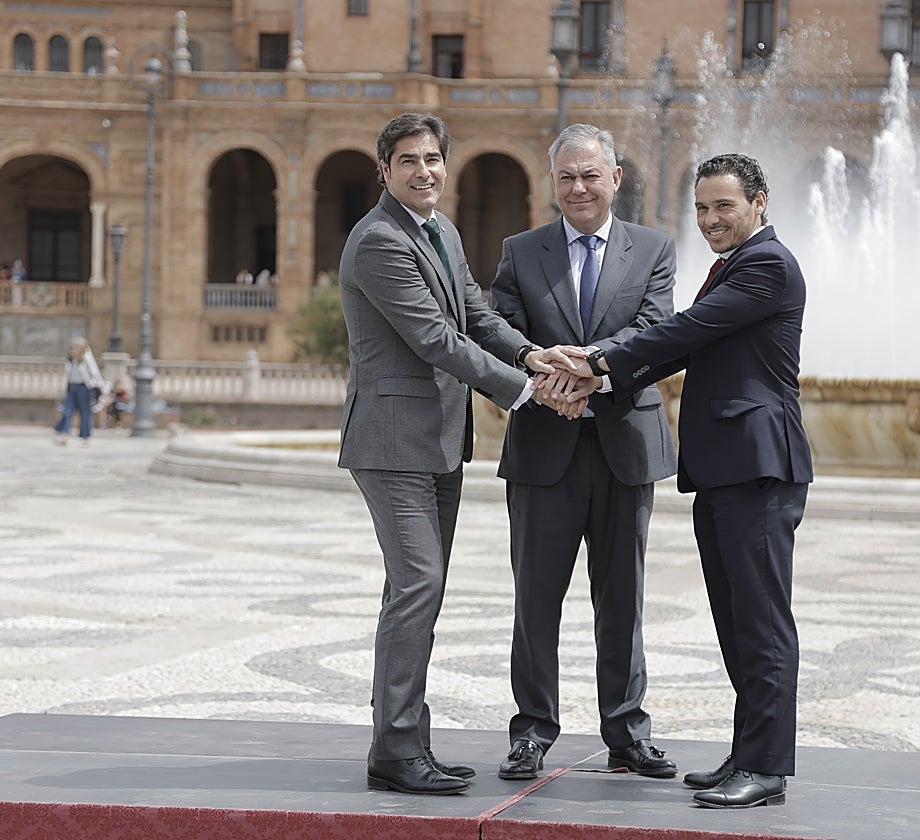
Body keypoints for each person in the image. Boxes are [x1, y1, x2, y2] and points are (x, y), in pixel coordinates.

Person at [553, 154, 813, 809]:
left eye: (724, 206)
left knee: (762, 622)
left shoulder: (768, 265)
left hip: (759, 466)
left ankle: (766, 767)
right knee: (735, 619)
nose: (710, 219)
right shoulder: (733, 265)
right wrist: (603, 382)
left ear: (759, 201)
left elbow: (686, 330)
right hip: (726, 468)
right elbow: (684, 347)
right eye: (701, 208)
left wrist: (597, 360)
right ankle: (748, 753)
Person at [338, 111, 578, 797]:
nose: (424, 171)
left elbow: (474, 314)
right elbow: (433, 339)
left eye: (433, 159)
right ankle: (395, 749)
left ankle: (404, 741)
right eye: (408, 161)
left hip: (439, 440)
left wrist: (531, 354)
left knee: (415, 590)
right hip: (392, 442)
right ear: (384, 170)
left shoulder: (440, 230)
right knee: (419, 584)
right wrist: (526, 390)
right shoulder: (379, 240)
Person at [490, 123, 679, 782]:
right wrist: (546, 375)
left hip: (625, 445)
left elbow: (655, 328)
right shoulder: (521, 251)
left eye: (591, 175)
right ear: (553, 182)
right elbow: (500, 329)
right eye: (567, 176)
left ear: (615, 179)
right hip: (544, 448)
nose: (579, 188)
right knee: (535, 601)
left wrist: (593, 368)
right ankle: (532, 732)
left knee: (623, 599)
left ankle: (627, 733)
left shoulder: (653, 248)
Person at [54, 336, 105, 446]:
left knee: (85, 412)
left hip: (84, 388)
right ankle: (64, 435)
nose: (72, 349)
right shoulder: (70, 360)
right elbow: (69, 375)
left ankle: (85, 437)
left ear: (81, 349)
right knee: (67, 411)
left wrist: (100, 387)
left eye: (75, 347)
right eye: (72, 347)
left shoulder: (87, 359)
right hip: (72, 387)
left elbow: (95, 374)